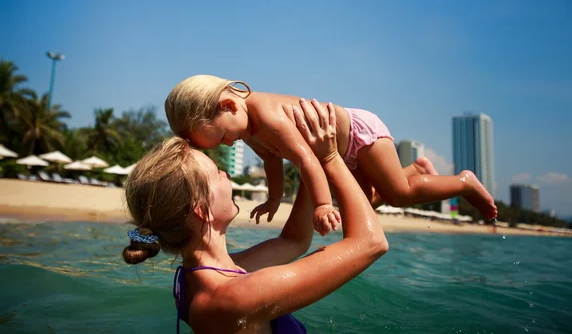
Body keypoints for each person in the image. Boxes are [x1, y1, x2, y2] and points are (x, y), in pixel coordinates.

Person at [123, 101, 389, 333]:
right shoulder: (233, 297)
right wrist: (330, 156)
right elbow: (371, 243)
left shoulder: (200, 278)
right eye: (217, 172)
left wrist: (311, 158)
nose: (227, 176)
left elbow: (294, 241)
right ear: (201, 209)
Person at [164, 75, 498, 235]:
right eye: (218, 144)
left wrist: (323, 205)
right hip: (335, 150)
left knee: (398, 195)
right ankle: (415, 169)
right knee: (364, 203)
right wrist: (274, 198)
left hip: (357, 133)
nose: (227, 144)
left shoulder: (266, 116)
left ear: (229, 105)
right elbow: (271, 161)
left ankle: (464, 181)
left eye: (222, 136)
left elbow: (307, 159)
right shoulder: (245, 129)